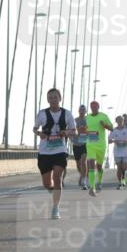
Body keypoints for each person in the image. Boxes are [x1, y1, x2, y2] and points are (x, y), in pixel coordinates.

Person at [32, 88, 75, 219]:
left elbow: (74, 131)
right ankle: (52, 190)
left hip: (60, 150)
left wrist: (66, 133)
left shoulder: (67, 114)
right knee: (47, 183)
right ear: (47, 100)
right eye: (50, 98)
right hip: (45, 152)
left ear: (60, 99)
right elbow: (34, 128)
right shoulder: (42, 114)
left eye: (55, 97)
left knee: (57, 178)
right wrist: (40, 134)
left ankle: (55, 208)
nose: (53, 100)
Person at [84, 100, 113, 196]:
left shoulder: (103, 116)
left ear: (98, 107)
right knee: (91, 165)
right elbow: (85, 129)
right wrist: (84, 131)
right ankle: (92, 187)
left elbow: (112, 128)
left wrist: (104, 125)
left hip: (101, 146)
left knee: (99, 166)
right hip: (90, 144)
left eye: (95, 106)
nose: (93, 108)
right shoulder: (87, 117)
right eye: (92, 107)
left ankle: (99, 182)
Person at [109, 115, 127, 189]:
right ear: (116, 121)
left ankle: (123, 178)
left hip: (125, 151)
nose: (120, 122)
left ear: (123, 121)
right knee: (119, 168)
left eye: (121, 121)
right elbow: (109, 140)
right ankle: (120, 183)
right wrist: (114, 141)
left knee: (124, 167)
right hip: (117, 151)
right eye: (118, 121)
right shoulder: (114, 130)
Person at [71, 105, 89, 190]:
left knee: (83, 161)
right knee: (78, 165)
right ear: (78, 111)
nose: (82, 111)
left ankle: (84, 181)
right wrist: (73, 135)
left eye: (83, 110)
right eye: (80, 110)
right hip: (76, 144)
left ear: (85, 111)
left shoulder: (88, 120)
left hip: (84, 144)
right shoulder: (75, 121)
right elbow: (70, 130)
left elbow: (92, 131)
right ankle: (82, 175)